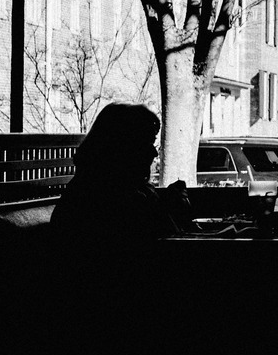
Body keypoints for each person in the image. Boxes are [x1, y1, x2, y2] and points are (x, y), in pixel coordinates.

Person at [52, 102, 189, 248]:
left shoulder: (96, 187)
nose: (154, 152)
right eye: (145, 142)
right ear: (123, 146)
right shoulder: (108, 197)